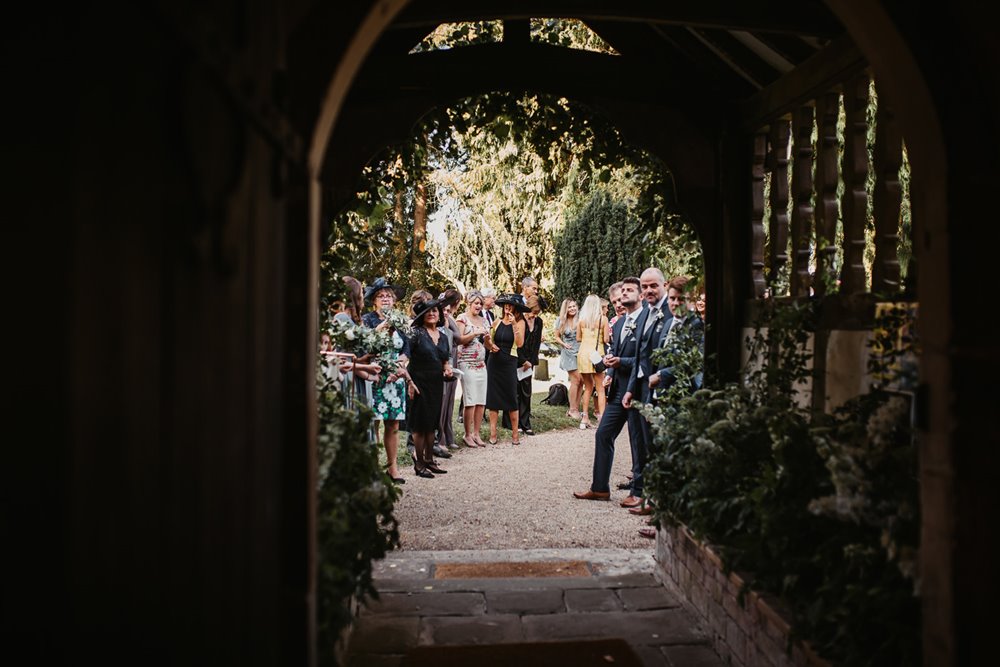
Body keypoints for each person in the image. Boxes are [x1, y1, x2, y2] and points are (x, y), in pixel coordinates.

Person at [574, 276, 646, 501]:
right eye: (620, 292)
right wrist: (610, 372)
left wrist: (620, 363)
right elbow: (615, 350)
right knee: (603, 433)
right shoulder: (620, 323)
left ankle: (638, 492)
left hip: (636, 391)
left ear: (641, 295)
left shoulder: (647, 319)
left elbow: (646, 358)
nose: (622, 296)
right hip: (617, 390)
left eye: (628, 291)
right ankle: (600, 487)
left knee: (637, 441)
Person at [620, 267, 672, 509]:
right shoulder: (645, 314)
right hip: (639, 385)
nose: (649, 290)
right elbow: (640, 353)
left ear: (664, 285)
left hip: (656, 385)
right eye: (646, 287)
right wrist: (630, 388)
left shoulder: (669, 312)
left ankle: (656, 498)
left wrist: (659, 378)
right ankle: (640, 492)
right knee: (638, 441)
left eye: (654, 286)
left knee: (654, 442)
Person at [361, 277, 410, 484]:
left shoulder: (400, 320)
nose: (386, 299)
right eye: (381, 296)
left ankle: (393, 468)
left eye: (389, 296)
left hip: (396, 379)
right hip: (375, 375)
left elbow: (406, 347)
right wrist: (382, 326)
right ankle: (372, 467)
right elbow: (364, 347)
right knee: (374, 424)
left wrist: (402, 365)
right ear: (374, 301)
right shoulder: (367, 320)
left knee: (393, 424)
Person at [405, 297, 454, 478]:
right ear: (422, 316)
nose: (432, 314)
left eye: (435, 311)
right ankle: (418, 464)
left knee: (432, 423)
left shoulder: (442, 335)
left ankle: (429, 460)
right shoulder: (416, 333)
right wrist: (409, 382)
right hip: (418, 382)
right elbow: (404, 357)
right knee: (420, 424)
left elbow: (444, 360)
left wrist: (447, 369)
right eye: (428, 312)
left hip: (435, 383)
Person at [485, 293, 527, 445]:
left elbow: (520, 344)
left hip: (510, 361)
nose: (507, 307)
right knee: (493, 398)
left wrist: (514, 323)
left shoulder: (520, 322)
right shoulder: (496, 322)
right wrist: (490, 345)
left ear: (515, 307)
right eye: (505, 304)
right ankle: (493, 433)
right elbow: (487, 342)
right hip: (494, 362)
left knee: (511, 396)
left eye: (510, 304)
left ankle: (515, 434)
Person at [455, 290, 491, 447]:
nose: (479, 306)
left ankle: (477, 433)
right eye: (476, 303)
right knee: (470, 400)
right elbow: (459, 340)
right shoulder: (461, 319)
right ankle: (467, 434)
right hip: (466, 362)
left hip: (481, 363)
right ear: (468, 303)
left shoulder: (484, 320)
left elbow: (487, 345)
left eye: (481, 303)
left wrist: (489, 341)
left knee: (481, 400)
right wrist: (475, 333)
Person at [503, 294, 543, 436]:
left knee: (526, 392)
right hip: (517, 359)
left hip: (529, 362)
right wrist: (522, 360)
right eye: (531, 312)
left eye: (536, 313)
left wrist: (531, 361)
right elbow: (516, 343)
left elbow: (536, 343)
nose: (533, 316)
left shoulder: (539, 322)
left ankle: (525, 422)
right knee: (514, 392)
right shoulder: (519, 321)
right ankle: (510, 422)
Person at [434, 289, 462, 455]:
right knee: (443, 400)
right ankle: (441, 437)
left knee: (451, 399)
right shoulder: (441, 317)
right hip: (444, 359)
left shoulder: (449, 318)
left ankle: (448, 434)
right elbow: (457, 337)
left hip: (453, 358)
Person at [576, 294, 609, 430]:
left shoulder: (581, 320)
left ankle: (584, 419)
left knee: (587, 387)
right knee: (600, 388)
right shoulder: (603, 320)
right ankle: (602, 418)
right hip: (597, 355)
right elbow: (606, 339)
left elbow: (578, 338)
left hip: (583, 354)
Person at [554, 298, 582, 419]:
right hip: (568, 352)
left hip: (581, 352)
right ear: (566, 309)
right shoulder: (560, 321)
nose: (572, 309)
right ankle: (572, 409)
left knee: (581, 381)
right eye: (569, 307)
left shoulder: (581, 318)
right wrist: (563, 344)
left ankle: (576, 407)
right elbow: (556, 336)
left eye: (574, 306)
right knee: (575, 379)